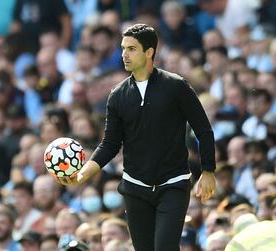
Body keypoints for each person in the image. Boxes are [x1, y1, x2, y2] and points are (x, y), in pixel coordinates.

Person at [58, 23, 216, 251]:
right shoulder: (117, 95)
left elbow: (203, 129)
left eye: (131, 49)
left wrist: (208, 170)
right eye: (123, 48)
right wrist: (82, 175)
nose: (124, 54)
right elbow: (110, 144)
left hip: (173, 185)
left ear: (149, 51)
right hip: (135, 188)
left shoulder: (176, 86)